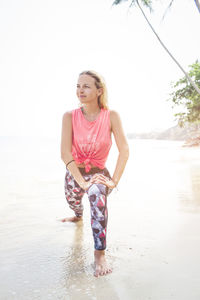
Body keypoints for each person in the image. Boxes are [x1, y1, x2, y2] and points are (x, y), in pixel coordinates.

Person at [60, 70, 129, 277]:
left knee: (97, 196)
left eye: (86, 86)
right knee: (73, 202)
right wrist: (81, 182)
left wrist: (113, 181)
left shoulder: (111, 116)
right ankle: (78, 215)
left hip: (99, 174)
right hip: (75, 174)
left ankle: (100, 255)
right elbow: (64, 153)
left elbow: (124, 150)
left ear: (99, 91)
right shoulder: (69, 116)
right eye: (78, 86)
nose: (80, 90)